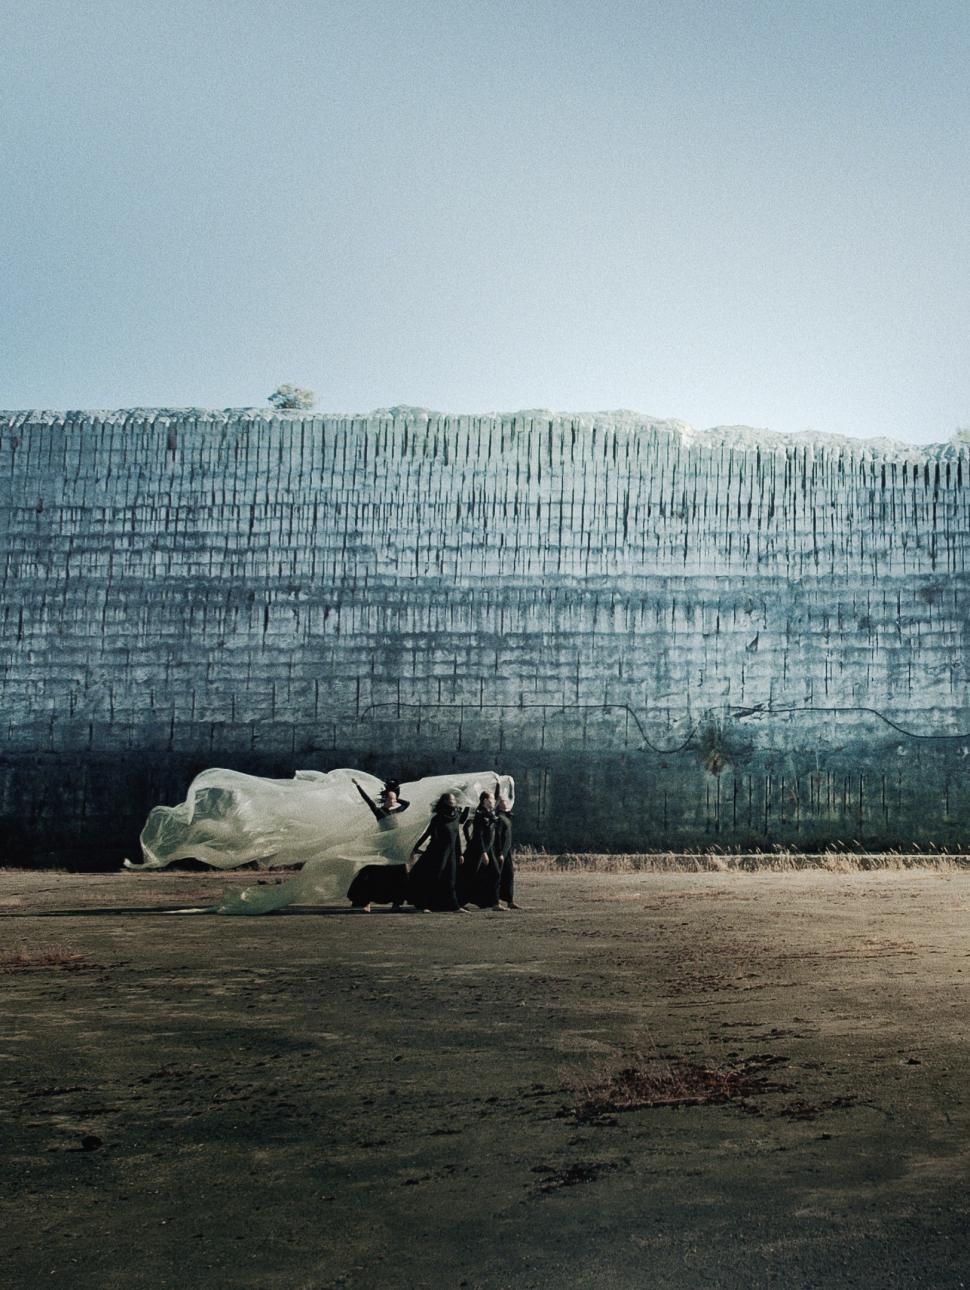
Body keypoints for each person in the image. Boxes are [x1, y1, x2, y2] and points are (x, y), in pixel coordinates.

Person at [346, 779, 411, 912]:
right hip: (384, 848)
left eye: (394, 800)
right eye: (390, 799)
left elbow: (407, 804)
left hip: (397, 848)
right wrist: (358, 786)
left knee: (400, 875)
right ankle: (366, 902)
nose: (393, 802)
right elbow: (368, 800)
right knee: (374, 874)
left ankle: (396, 903)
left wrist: (395, 796)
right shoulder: (379, 812)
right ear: (385, 799)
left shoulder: (395, 811)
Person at [407, 792, 466, 912]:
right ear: (445, 802)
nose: (453, 803)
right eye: (451, 801)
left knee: (451, 879)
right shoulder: (438, 818)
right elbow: (427, 833)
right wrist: (415, 847)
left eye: (454, 800)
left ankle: (454, 906)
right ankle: (426, 905)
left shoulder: (456, 816)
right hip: (437, 853)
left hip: (451, 853)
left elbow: (456, 837)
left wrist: (459, 853)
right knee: (433, 877)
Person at [460, 789, 503, 909]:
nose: (494, 801)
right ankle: (459, 902)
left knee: (495, 873)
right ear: (485, 800)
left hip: (488, 849)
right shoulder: (479, 814)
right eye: (492, 799)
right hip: (478, 850)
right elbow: (478, 835)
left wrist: (497, 852)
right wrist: (483, 852)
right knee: (470, 875)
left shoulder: (491, 813)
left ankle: (494, 903)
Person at [493, 793, 519, 909]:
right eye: (503, 801)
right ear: (498, 804)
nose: (506, 802)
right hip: (500, 852)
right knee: (497, 876)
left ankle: (510, 900)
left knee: (509, 874)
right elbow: (497, 837)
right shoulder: (498, 818)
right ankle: (495, 903)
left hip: (506, 851)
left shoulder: (505, 816)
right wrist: (499, 853)